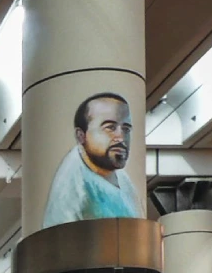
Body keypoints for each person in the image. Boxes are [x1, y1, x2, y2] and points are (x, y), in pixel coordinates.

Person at [41, 92, 142, 228]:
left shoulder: (123, 179)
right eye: (110, 128)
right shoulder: (71, 186)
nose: (120, 137)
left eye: (126, 129)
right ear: (81, 136)